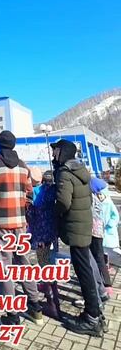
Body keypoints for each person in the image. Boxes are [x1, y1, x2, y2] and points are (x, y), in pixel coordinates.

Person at [0, 130, 43, 326]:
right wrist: (22, 210)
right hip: (20, 224)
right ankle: (35, 307)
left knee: (4, 266)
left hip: (1, 224)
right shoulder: (24, 167)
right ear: (13, 145)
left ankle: (12, 315)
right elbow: (30, 194)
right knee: (24, 262)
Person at [52, 139, 103, 336]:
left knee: (83, 271)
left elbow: (64, 201)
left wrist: (55, 212)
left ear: (63, 153)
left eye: (56, 151)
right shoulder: (81, 170)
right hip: (83, 224)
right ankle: (95, 314)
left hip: (74, 227)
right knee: (86, 268)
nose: (54, 154)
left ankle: (92, 317)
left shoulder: (65, 173)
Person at [27, 170, 61, 319]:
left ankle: (52, 303)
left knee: (44, 266)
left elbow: (30, 216)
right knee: (51, 265)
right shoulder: (53, 190)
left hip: (40, 236)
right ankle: (55, 295)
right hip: (53, 235)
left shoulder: (34, 192)